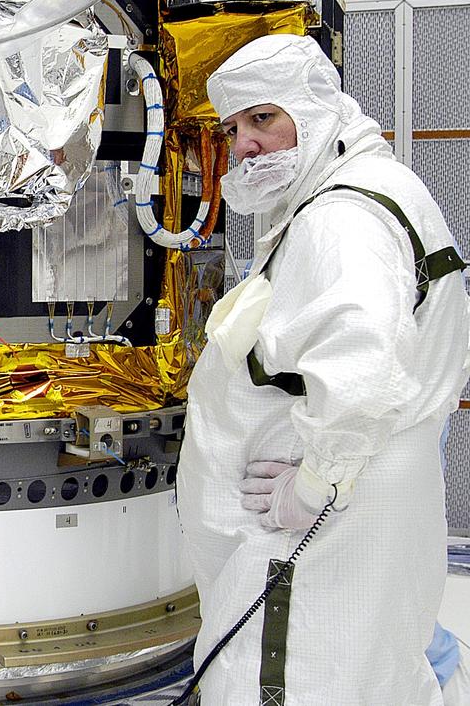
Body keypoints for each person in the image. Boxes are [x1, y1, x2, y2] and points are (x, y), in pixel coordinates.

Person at [177, 34, 470, 704]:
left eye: (263, 118)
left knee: (309, 678)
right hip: (361, 491)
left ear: (313, 112)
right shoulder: (365, 189)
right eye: (232, 127)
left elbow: (362, 371)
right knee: (373, 672)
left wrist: (311, 486)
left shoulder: (339, 221)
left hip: (326, 518)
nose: (245, 143)